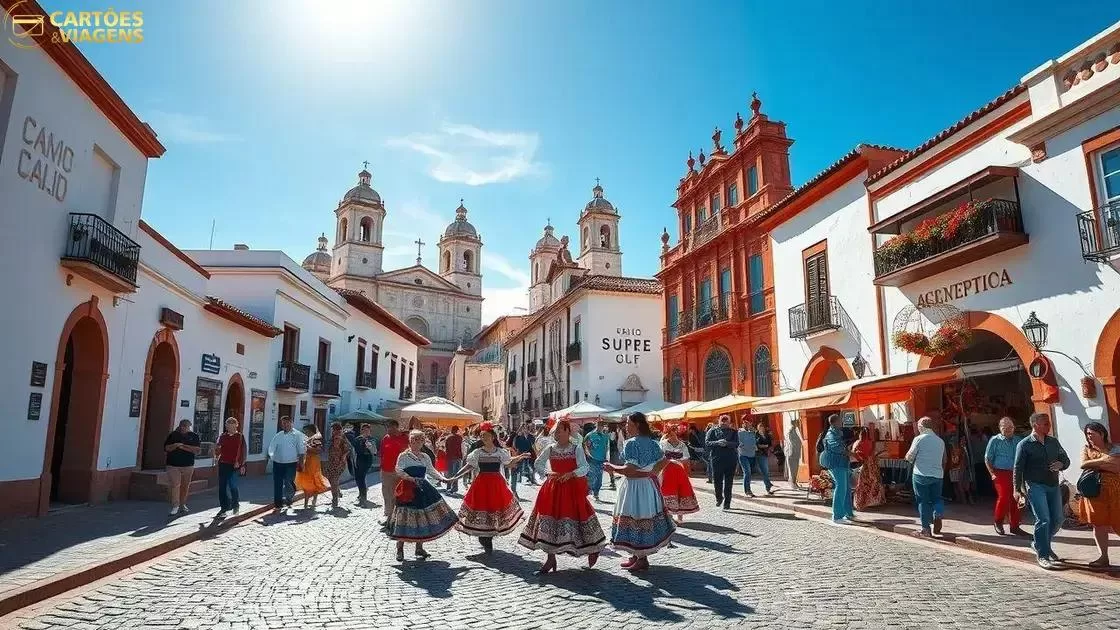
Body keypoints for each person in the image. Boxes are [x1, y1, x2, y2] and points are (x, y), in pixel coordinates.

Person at [519, 420, 606, 573]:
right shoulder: (550, 448)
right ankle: (550, 558)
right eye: (556, 431)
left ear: (568, 432)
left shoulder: (576, 448)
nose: (557, 433)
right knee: (549, 520)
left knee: (581, 517)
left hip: (571, 489)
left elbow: (584, 467)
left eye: (560, 430)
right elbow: (538, 463)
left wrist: (572, 473)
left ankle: (593, 548)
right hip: (553, 488)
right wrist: (547, 473)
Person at [605, 412, 675, 572]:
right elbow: (662, 463)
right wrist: (648, 473)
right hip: (648, 486)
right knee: (643, 515)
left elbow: (630, 469)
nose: (626, 426)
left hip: (635, 487)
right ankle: (637, 555)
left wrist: (612, 467)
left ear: (637, 424)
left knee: (636, 516)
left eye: (628, 423)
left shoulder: (631, 444)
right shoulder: (653, 443)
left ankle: (641, 558)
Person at [448, 423, 530, 554]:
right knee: (482, 508)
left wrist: (520, 457)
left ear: (492, 437)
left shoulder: (500, 452)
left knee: (494, 508)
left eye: (485, 436)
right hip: (481, 484)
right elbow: (469, 466)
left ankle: (488, 536)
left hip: (496, 484)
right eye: (481, 436)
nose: (483, 438)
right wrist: (455, 476)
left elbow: (508, 463)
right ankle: (484, 536)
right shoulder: (478, 453)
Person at [389, 430, 459, 561]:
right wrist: (409, 478)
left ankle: (419, 547)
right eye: (415, 440)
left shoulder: (425, 457)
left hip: (422, 487)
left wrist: (444, 479)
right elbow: (398, 469)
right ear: (410, 441)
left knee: (421, 517)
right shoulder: (403, 456)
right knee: (404, 517)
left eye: (420, 440)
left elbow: (431, 470)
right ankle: (400, 548)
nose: (418, 443)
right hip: (407, 489)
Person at [1014, 412, 1070, 570]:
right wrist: (1017, 490)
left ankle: (1039, 543)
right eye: (1045, 423)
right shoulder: (1024, 444)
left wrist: (1061, 464)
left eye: (1048, 423)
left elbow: (1065, 459)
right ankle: (1043, 555)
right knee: (1043, 519)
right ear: (1035, 425)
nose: (1048, 425)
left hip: (1053, 485)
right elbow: (1018, 468)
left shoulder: (1053, 442)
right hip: (1035, 485)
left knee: (1058, 519)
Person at [1076, 422, 1120, 567]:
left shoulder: (1115, 448)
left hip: (1115, 490)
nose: (1089, 437)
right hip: (1095, 491)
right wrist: (1104, 460)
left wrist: (1094, 463)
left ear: (1101, 433)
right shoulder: (1086, 449)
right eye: (1087, 434)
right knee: (1099, 524)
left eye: (1092, 434)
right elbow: (1083, 464)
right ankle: (1103, 556)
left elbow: (1116, 467)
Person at [984, 417, 1026, 536]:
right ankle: (998, 521)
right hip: (1000, 472)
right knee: (1004, 497)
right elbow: (988, 458)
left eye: (1010, 427)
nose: (1008, 430)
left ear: (1014, 428)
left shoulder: (1018, 440)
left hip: (1016, 473)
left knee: (1017, 498)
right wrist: (992, 474)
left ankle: (1015, 526)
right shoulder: (995, 440)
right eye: (1005, 427)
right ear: (1000, 428)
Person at [905, 416, 945, 537]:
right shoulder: (940, 441)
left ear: (921, 427)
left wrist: (907, 457)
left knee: (923, 501)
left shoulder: (919, 439)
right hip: (937, 475)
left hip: (921, 474)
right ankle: (938, 513)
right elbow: (943, 459)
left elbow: (910, 457)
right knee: (937, 498)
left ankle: (925, 529)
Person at [659, 424, 699, 523]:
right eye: (670, 435)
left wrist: (687, 470)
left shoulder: (682, 445)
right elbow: (659, 456)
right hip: (667, 470)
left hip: (679, 470)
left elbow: (686, 459)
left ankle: (680, 517)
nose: (672, 437)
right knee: (668, 492)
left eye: (674, 434)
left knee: (681, 492)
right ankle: (669, 515)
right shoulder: (663, 444)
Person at [266, 416, 306, 512]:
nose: (285, 425)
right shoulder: (278, 435)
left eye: (287, 423)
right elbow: (272, 447)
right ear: (281, 424)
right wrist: (271, 456)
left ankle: (289, 498)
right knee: (278, 483)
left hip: (291, 463)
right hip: (278, 463)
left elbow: (301, 450)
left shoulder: (298, 435)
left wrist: (301, 463)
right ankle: (278, 503)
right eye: (283, 423)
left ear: (291, 423)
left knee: (288, 482)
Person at [820, 414, 854, 525]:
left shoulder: (838, 433)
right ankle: (837, 516)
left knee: (846, 488)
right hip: (836, 464)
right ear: (835, 422)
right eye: (840, 420)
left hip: (843, 463)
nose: (842, 422)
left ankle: (847, 513)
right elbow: (837, 448)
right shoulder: (831, 434)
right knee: (841, 488)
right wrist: (850, 452)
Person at [164, 419, 201, 517]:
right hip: (172, 465)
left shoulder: (194, 436)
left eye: (186, 426)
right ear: (180, 426)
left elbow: (197, 451)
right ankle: (175, 506)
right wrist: (175, 445)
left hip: (188, 465)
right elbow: (166, 448)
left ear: (190, 427)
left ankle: (182, 504)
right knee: (175, 485)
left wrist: (183, 447)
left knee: (185, 485)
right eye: (183, 426)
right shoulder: (173, 435)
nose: (184, 428)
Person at [214, 417, 247, 519]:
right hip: (223, 463)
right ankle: (224, 508)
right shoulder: (222, 436)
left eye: (232, 425)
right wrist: (216, 451)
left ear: (236, 425)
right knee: (222, 488)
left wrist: (242, 464)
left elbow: (244, 452)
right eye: (228, 425)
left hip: (234, 465)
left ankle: (235, 505)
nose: (229, 427)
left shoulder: (240, 436)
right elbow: (217, 449)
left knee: (233, 486)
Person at [705, 415, 739, 510]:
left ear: (729, 422)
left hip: (730, 459)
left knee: (729, 482)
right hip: (717, 459)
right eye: (722, 421)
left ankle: (727, 503)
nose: (724, 423)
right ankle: (719, 498)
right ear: (719, 421)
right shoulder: (712, 431)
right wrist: (717, 442)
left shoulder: (733, 432)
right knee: (717, 480)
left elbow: (737, 443)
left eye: (726, 421)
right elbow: (707, 443)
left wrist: (727, 443)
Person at [379, 419, 410, 524]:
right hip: (385, 471)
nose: (387, 429)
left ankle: (396, 519)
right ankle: (389, 517)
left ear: (395, 427)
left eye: (388, 427)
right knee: (386, 494)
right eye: (386, 427)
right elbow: (382, 453)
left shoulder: (405, 438)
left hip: (398, 472)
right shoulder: (385, 438)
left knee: (396, 495)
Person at [295, 424, 330, 509]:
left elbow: (319, 450)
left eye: (306, 431)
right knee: (306, 482)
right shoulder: (307, 439)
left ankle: (313, 500)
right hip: (306, 461)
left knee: (314, 481)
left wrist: (307, 447)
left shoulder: (316, 439)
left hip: (314, 462)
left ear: (311, 431)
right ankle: (306, 503)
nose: (305, 433)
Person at [852, 426, 885, 510]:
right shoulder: (872, 442)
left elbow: (854, 453)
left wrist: (860, 459)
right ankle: (875, 501)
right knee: (874, 482)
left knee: (863, 483)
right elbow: (874, 453)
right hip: (873, 465)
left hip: (864, 465)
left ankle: (862, 502)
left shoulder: (858, 443)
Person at [323, 422, 353, 510]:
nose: (333, 431)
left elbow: (349, 448)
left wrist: (344, 456)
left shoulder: (342, 437)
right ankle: (337, 490)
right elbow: (328, 447)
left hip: (339, 462)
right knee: (330, 479)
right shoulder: (332, 437)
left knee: (334, 480)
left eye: (334, 429)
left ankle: (335, 499)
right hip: (331, 461)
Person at [347, 423, 377, 506]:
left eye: (367, 430)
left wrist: (370, 447)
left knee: (361, 478)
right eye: (364, 430)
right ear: (361, 430)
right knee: (357, 477)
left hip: (366, 460)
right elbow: (352, 447)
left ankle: (363, 497)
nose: (365, 431)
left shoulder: (371, 439)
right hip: (358, 459)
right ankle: (361, 493)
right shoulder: (358, 439)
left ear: (370, 431)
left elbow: (374, 451)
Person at [584, 422, 611, 501]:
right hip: (592, 460)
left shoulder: (605, 436)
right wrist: (588, 457)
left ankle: (596, 494)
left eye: (603, 426)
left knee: (599, 478)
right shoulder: (590, 435)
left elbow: (607, 447)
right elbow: (585, 447)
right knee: (591, 477)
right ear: (596, 426)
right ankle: (588, 494)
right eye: (600, 426)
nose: (601, 427)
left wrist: (607, 458)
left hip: (601, 460)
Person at [755, 422, 776, 495]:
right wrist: (764, 446)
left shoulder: (766, 435)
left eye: (762, 427)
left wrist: (770, 448)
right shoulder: (756, 435)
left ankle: (768, 484)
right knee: (765, 471)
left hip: (766, 454)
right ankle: (768, 486)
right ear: (758, 428)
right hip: (760, 454)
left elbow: (770, 443)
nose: (761, 428)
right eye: (760, 427)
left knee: (765, 471)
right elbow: (756, 445)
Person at [443, 426, 465, 493]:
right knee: (456, 473)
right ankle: (454, 487)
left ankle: (448, 486)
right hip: (457, 457)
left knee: (449, 472)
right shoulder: (459, 438)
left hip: (449, 457)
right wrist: (462, 456)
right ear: (457, 430)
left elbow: (446, 448)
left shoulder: (448, 438)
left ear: (451, 430)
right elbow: (462, 448)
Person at [786, 418, 804, 490]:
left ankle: (794, 482)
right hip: (792, 453)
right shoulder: (791, 431)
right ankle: (792, 483)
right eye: (797, 423)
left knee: (795, 469)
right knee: (792, 469)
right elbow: (791, 443)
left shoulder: (796, 430)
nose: (799, 424)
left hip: (796, 452)